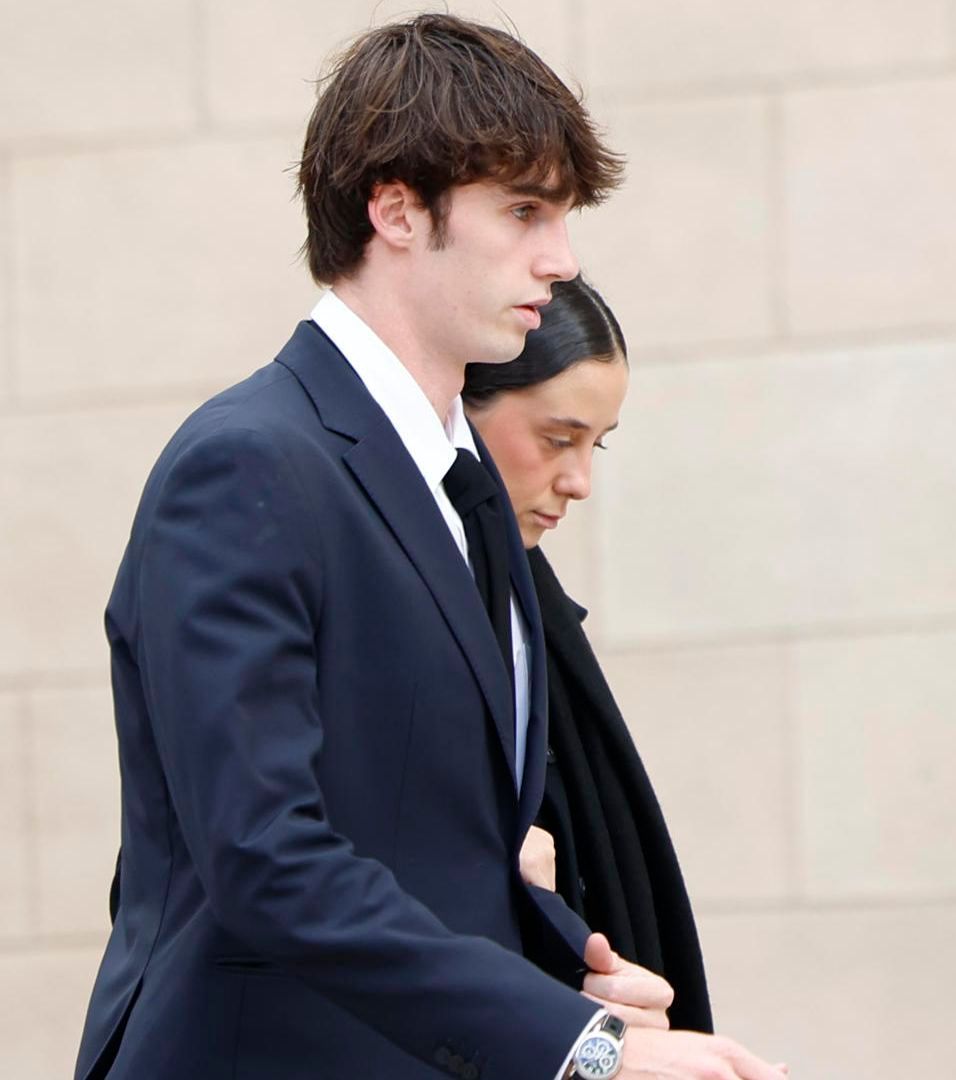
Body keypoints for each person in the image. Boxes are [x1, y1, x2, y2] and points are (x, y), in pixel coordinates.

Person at [74, 15, 780, 1080]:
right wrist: (579, 1050)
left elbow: (427, 848)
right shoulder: (247, 465)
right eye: (526, 211)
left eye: (565, 216)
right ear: (396, 210)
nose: (563, 258)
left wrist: (565, 973)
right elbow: (265, 860)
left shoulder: (463, 485)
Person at [464, 276, 716, 1033]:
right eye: (557, 438)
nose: (578, 482)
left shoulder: (523, 597)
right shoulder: (438, 587)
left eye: (594, 444)